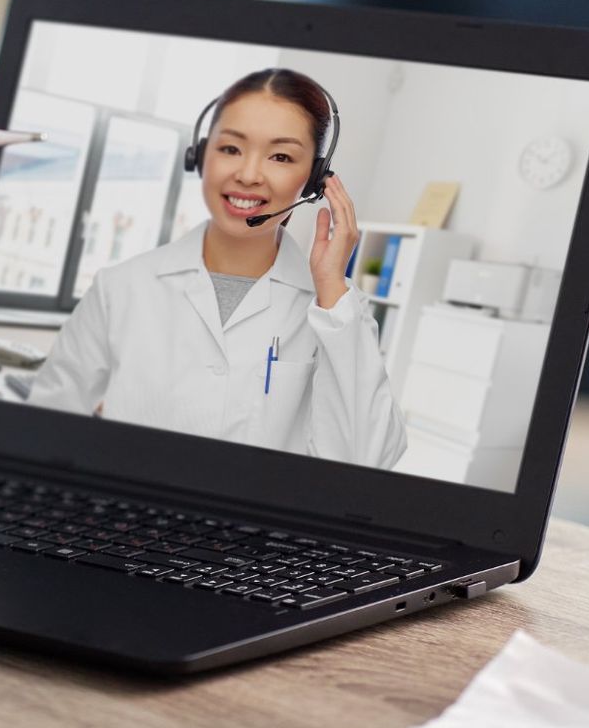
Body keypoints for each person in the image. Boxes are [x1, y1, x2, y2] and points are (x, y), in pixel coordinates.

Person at [26, 69, 407, 469]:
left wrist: (332, 289)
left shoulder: (337, 311)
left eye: (280, 156)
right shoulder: (121, 288)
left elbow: (369, 459)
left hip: (257, 527)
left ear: (314, 181)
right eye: (231, 149)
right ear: (200, 156)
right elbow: (45, 430)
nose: (248, 174)